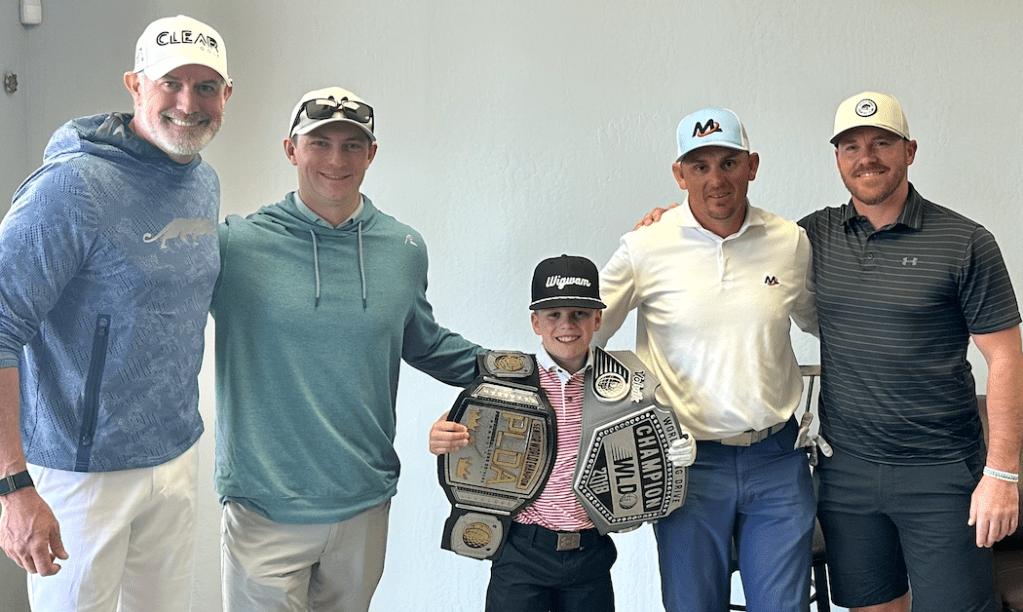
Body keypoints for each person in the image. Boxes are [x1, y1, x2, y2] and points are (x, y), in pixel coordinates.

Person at [211, 86, 485, 612]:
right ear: (291, 149)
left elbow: (425, 342)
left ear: (371, 154)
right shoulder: (235, 246)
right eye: (320, 143)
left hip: (363, 500)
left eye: (351, 145)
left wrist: (528, 372)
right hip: (265, 506)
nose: (336, 160)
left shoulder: (403, 248)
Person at [0, 14, 232, 612]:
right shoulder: (71, 188)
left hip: (174, 454)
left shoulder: (202, 182)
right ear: (135, 85)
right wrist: (13, 486)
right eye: (170, 83)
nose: (188, 103)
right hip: (79, 474)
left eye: (205, 86)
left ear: (226, 95)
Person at [799, 91, 1023, 612]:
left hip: (941, 473)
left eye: (881, 142)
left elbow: (1007, 358)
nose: (866, 157)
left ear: (910, 150)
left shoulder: (965, 241)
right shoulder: (810, 237)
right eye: (851, 146)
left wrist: (1003, 474)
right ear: (837, 158)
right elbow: (738, 239)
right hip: (845, 471)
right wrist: (672, 221)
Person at [594, 108, 819, 611]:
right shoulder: (645, 246)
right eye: (699, 166)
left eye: (728, 163)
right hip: (687, 464)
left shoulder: (790, 242)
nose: (716, 180)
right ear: (680, 175)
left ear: (752, 165)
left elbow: (826, 323)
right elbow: (581, 338)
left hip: (777, 459)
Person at [429, 254, 697, 612]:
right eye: (553, 314)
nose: (566, 325)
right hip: (521, 551)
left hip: (590, 553)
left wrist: (676, 450)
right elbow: (461, 423)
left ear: (597, 319)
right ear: (535, 322)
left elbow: (650, 435)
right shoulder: (507, 382)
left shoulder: (626, 384)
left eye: (579, 314)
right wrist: (440, 434)